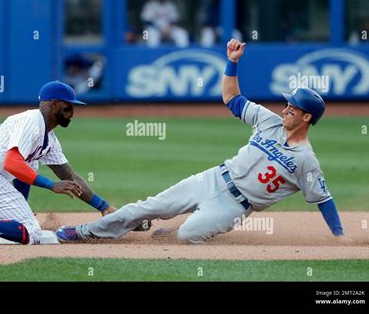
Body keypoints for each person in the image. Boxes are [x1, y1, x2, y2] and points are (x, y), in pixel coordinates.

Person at [56, 39, 345, 244]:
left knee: (186, 235)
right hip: (213, 178)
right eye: (287, 105)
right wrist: (232, 64)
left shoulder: (306, 159)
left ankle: (171, 233)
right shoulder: (269, 120)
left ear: (306, 118)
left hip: (235, 207)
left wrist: (340, 238)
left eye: (292, 108)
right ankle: (84, 231)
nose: (285, 109)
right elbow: (232, 99)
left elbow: (324, 199)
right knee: (146, 207)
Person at [0, 81, 115, 246]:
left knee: (32, 163)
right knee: (32, 231)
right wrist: (51, 185)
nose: (73, 111)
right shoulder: (31, 122)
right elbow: (12, 163)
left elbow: (70, 177)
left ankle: (15, 223)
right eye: (68, 106)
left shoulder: (50, 139)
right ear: (54, 103)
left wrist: (104, 207)